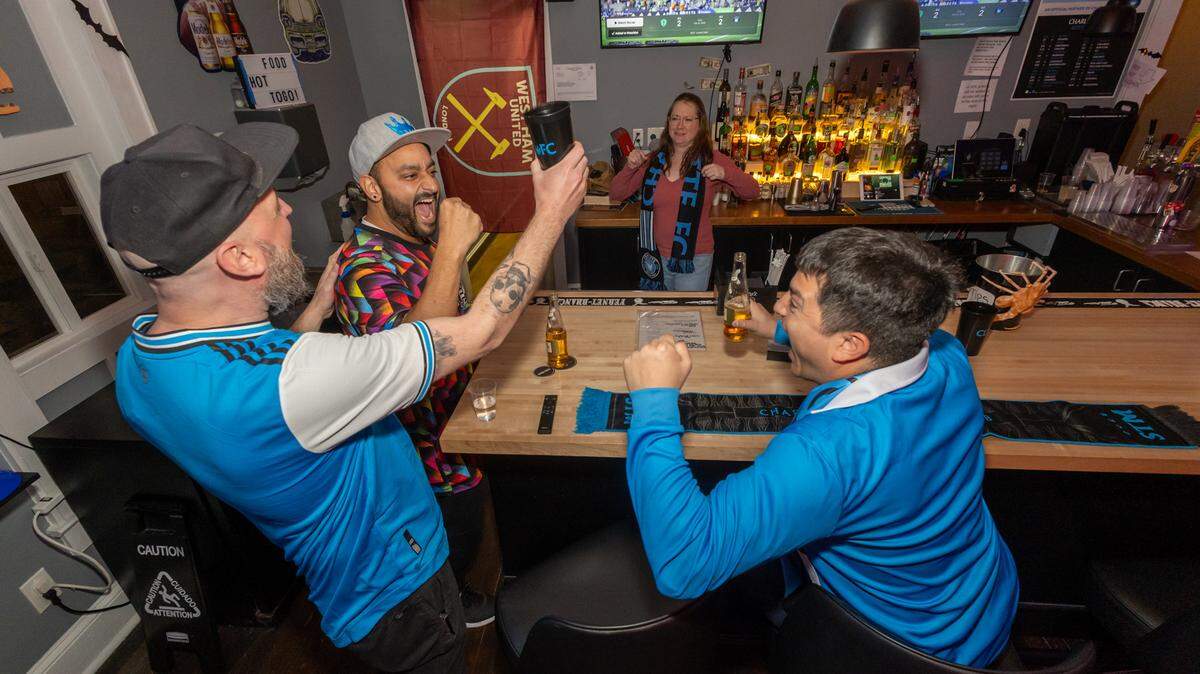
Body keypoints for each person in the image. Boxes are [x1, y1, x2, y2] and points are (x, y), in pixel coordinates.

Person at [102, 122, 587, 673]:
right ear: (240, 258)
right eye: (273, 207)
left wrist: (312, 313)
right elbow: (483, 330)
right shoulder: (296, 383)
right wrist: (552, 211)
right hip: (399, 589)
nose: (290, 210)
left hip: (342, 586)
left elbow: (258, 376)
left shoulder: (137, 364)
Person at [621, 228, 1019, 668]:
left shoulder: (825, 454)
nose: (778, 305)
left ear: (849, 344)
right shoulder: (947, 355)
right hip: (981, 599)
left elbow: (684, 565)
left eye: (794, 303)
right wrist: (781, 331)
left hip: (903, 647)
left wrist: (653, 402)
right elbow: (867, 353)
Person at [334, 113, 493, 627]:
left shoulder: (414, 242)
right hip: (427, 471)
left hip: (459, 440)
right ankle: (448, 610)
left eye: (430, 171)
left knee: (473, 530)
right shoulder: (363, 268)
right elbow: (414, 357)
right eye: (409, 175)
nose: (429, 186)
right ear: (370, 188)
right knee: (446, 558)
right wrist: (452, 250)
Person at [608, 92, 758, 291]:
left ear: (700, 124)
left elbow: (752, 191)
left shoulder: (711, 159)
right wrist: (630, 167)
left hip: (694, 260)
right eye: (675, 118)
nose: (680, 125)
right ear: (668, 122)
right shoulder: (653, 160)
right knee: (656, 310)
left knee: (685, 311)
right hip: (654, 257)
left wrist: (725, 173)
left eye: (688, 119)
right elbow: (616, 194)